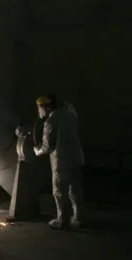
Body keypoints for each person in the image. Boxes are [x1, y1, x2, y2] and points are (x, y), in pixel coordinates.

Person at [33, 94, 85, 230]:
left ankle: (62, 221)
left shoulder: (50, 122)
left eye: (40, 107)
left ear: (45, 106)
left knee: (59, 192)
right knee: (75, 190)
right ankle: (78, 218)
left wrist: (36, 150)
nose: (39, 110)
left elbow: (47, 147)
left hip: (61, 162)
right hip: (77, 158)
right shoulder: (70, 115)